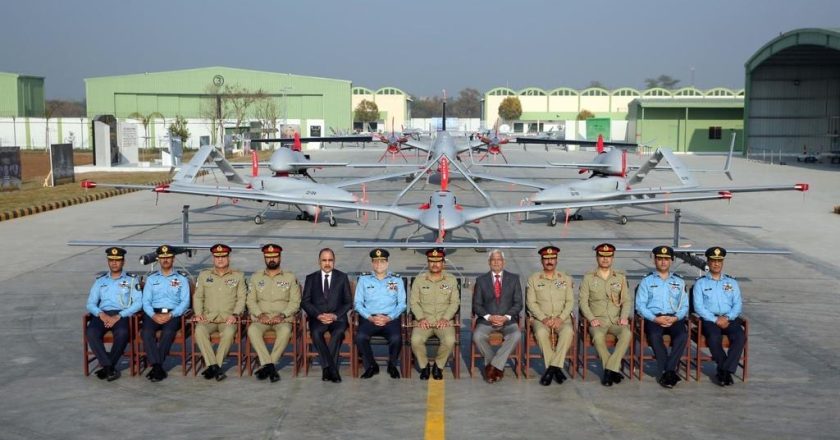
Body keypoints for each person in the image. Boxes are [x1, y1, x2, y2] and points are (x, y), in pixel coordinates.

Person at [579, 243, 632, 387]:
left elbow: (626, 300)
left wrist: (624, 316)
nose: (605, 259)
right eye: (602, 256)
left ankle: (609, 370)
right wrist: (591, 319)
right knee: (597, 337)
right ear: (597, 258)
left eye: (608, 256)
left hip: (616, 320)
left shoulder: (620, 278)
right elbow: (583, 302)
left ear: (612, 258)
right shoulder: (589, 278)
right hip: (598, 320)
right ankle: (612, 369)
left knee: (626, 334)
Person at [85, 247, 142, 381]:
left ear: (123, 261)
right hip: (102, 314)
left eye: (117, 260)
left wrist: (119, 315)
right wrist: (100, 314)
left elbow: (138, 303)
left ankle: (106, 367)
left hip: (121, 314)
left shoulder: (132, 280)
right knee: (91, 333)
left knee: (122, 333)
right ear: (108, 261)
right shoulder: (100, 281)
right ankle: (109, 367)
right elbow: (90, 303)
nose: (114, 263)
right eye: (111, 260)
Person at [635, 246, 688, 389]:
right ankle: (670, 371)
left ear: (671, 261)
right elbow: (640, 305)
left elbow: (684, 306)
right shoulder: (647, 281)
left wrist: (676, 318)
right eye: (660, 259)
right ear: (654, 260)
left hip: (673, 318)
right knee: (654, 335)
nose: (663, 262)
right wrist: (654, 318)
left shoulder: (679, 282)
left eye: (666, 259)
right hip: (654, 318)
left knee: (682, 335)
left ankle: (667, 370)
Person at [247, 244, 300, 383]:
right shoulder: (255, 277)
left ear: (280, 258)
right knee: (252, 330)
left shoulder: (289, 277)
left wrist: (282, 315)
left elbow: (295, 302)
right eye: (268, 257)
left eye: (275, 257)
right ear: (264, 258)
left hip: (282, 319)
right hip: (261, 319)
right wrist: (259, 315)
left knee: (285, 331)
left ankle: (267, 365)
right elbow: (250, 301)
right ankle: (270, 366)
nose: (272, 259)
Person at [692, 247, 746, 386]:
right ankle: (726, 371)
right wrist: (716, 319)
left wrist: (727, 318)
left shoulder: (731, 282)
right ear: (708, 262)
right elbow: (698, 307)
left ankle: (724, 370)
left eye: (719, 261)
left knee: (740, 337)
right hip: (710, 319)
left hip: (729, 318)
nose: (716, 264)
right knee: (713, 337)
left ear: (722, 262)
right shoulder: (700, 283)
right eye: (713, 261)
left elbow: (737, 305)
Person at [193, 244, 246, 382]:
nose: (220, 260)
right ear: (213, 259)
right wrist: (198, 313)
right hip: (208, 318)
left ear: (228, 258)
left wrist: (235, 314)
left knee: (228, 333)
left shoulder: (238, 276)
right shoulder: (204, 275)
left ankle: (214, 366)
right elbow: (198, 297)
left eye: (223, 256)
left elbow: (242, 298)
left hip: (228, 318)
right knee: (199, 330)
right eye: (217, 257)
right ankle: (215, 366)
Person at [525, 245, 575, 386]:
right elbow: (531, 302)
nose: (549, 261)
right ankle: (556, 369)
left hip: (562, 318)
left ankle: (551, 369)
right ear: (541, 261)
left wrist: (560, 318)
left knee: (568, 331)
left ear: (557, 260)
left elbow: (570, 301)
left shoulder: (565, 278)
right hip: (541, 319)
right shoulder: (534, 279)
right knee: (540, 333)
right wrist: (544, 318)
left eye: (552, 258)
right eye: (546, 259)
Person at [302, 248, 352, 383]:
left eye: (330, 260)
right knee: (316, 334)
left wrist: (335, 315)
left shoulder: (342, 277)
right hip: (318, 319)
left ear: (334, 261)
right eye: (324, 260)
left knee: (338, 333)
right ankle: (332, 369)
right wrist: (318, 315)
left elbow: (348, 303)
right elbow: (305, 302)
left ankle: (326, 368)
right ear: (319, 262)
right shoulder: (311, 278)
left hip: (337, 319)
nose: (327, 263)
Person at [354, 248, 406, 379]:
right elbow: (358, 303)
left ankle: (392, 365)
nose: (379, 265)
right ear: (372, 264)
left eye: (382, 262)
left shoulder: (397, 280)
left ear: (387, 263)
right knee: (360, 337)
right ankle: (372, 365)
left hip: (390, 318)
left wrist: (389, 317)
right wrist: (370, 317)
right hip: (370, 318)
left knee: (396, 338)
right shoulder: (364, 279)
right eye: (376, 262)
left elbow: (402, 304)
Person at [472, 249, 523, 383]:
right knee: (477, 336)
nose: (496, 262)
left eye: (499, 260)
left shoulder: (514, 279)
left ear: (503, 262)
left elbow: (518, 304)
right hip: (487, 321)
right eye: (493, 260)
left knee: (516, 335)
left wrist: (506, 317)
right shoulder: (481, 280)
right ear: (489, 263)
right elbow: (477, 305)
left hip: (507, 321)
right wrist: (489, 317)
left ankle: (492, 367)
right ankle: (496, 367)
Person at [141, 245, 191, 382]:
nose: (165, 260)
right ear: (158, 259)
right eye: (162, 258)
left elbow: (185, 302)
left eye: (168, 257)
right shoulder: (151, 279)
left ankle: (156, 366)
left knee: (168, 333)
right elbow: (146, 301)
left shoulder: (181, 279)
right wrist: (153, 315)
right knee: (146, 333)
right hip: (153, 312)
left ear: (173, 259)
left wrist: (171, 314)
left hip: (173, 313)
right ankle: (158, 367)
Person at [410, 248, 460, 380]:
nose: (435, 264)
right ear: (427, 263)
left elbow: (454, 303)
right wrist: (420, 318)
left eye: (438, 261)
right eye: (432, 261)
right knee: (415, 340)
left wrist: (445, 318)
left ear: (443, 263)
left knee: (449, 340)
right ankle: (424, 366)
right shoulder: (419, 280)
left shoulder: (451, 280)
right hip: (424, 321)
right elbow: (414, 302)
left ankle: (438, 366)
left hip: (444, 321)